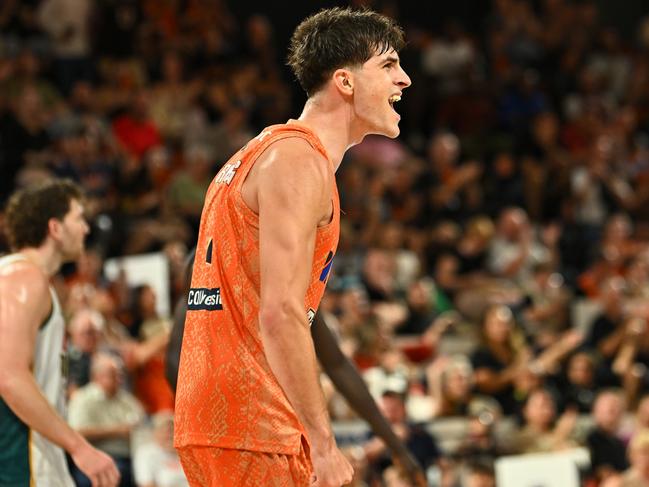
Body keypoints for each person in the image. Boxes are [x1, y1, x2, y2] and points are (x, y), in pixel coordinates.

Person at [173, 7, 411, 487]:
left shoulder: (265, 153)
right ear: (344, 81)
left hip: (229, 415)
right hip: (251, 420)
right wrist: (324, 445)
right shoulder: (297, 161)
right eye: (388, 65)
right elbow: (281, 312)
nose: (403, 79)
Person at [0, 179, 120, 486]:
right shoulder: (24, 279)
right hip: (18, 462)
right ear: (55, 228)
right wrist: (79, 446)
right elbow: (8, 375)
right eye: (78, 218)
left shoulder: (26, 278)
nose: (86, 229)